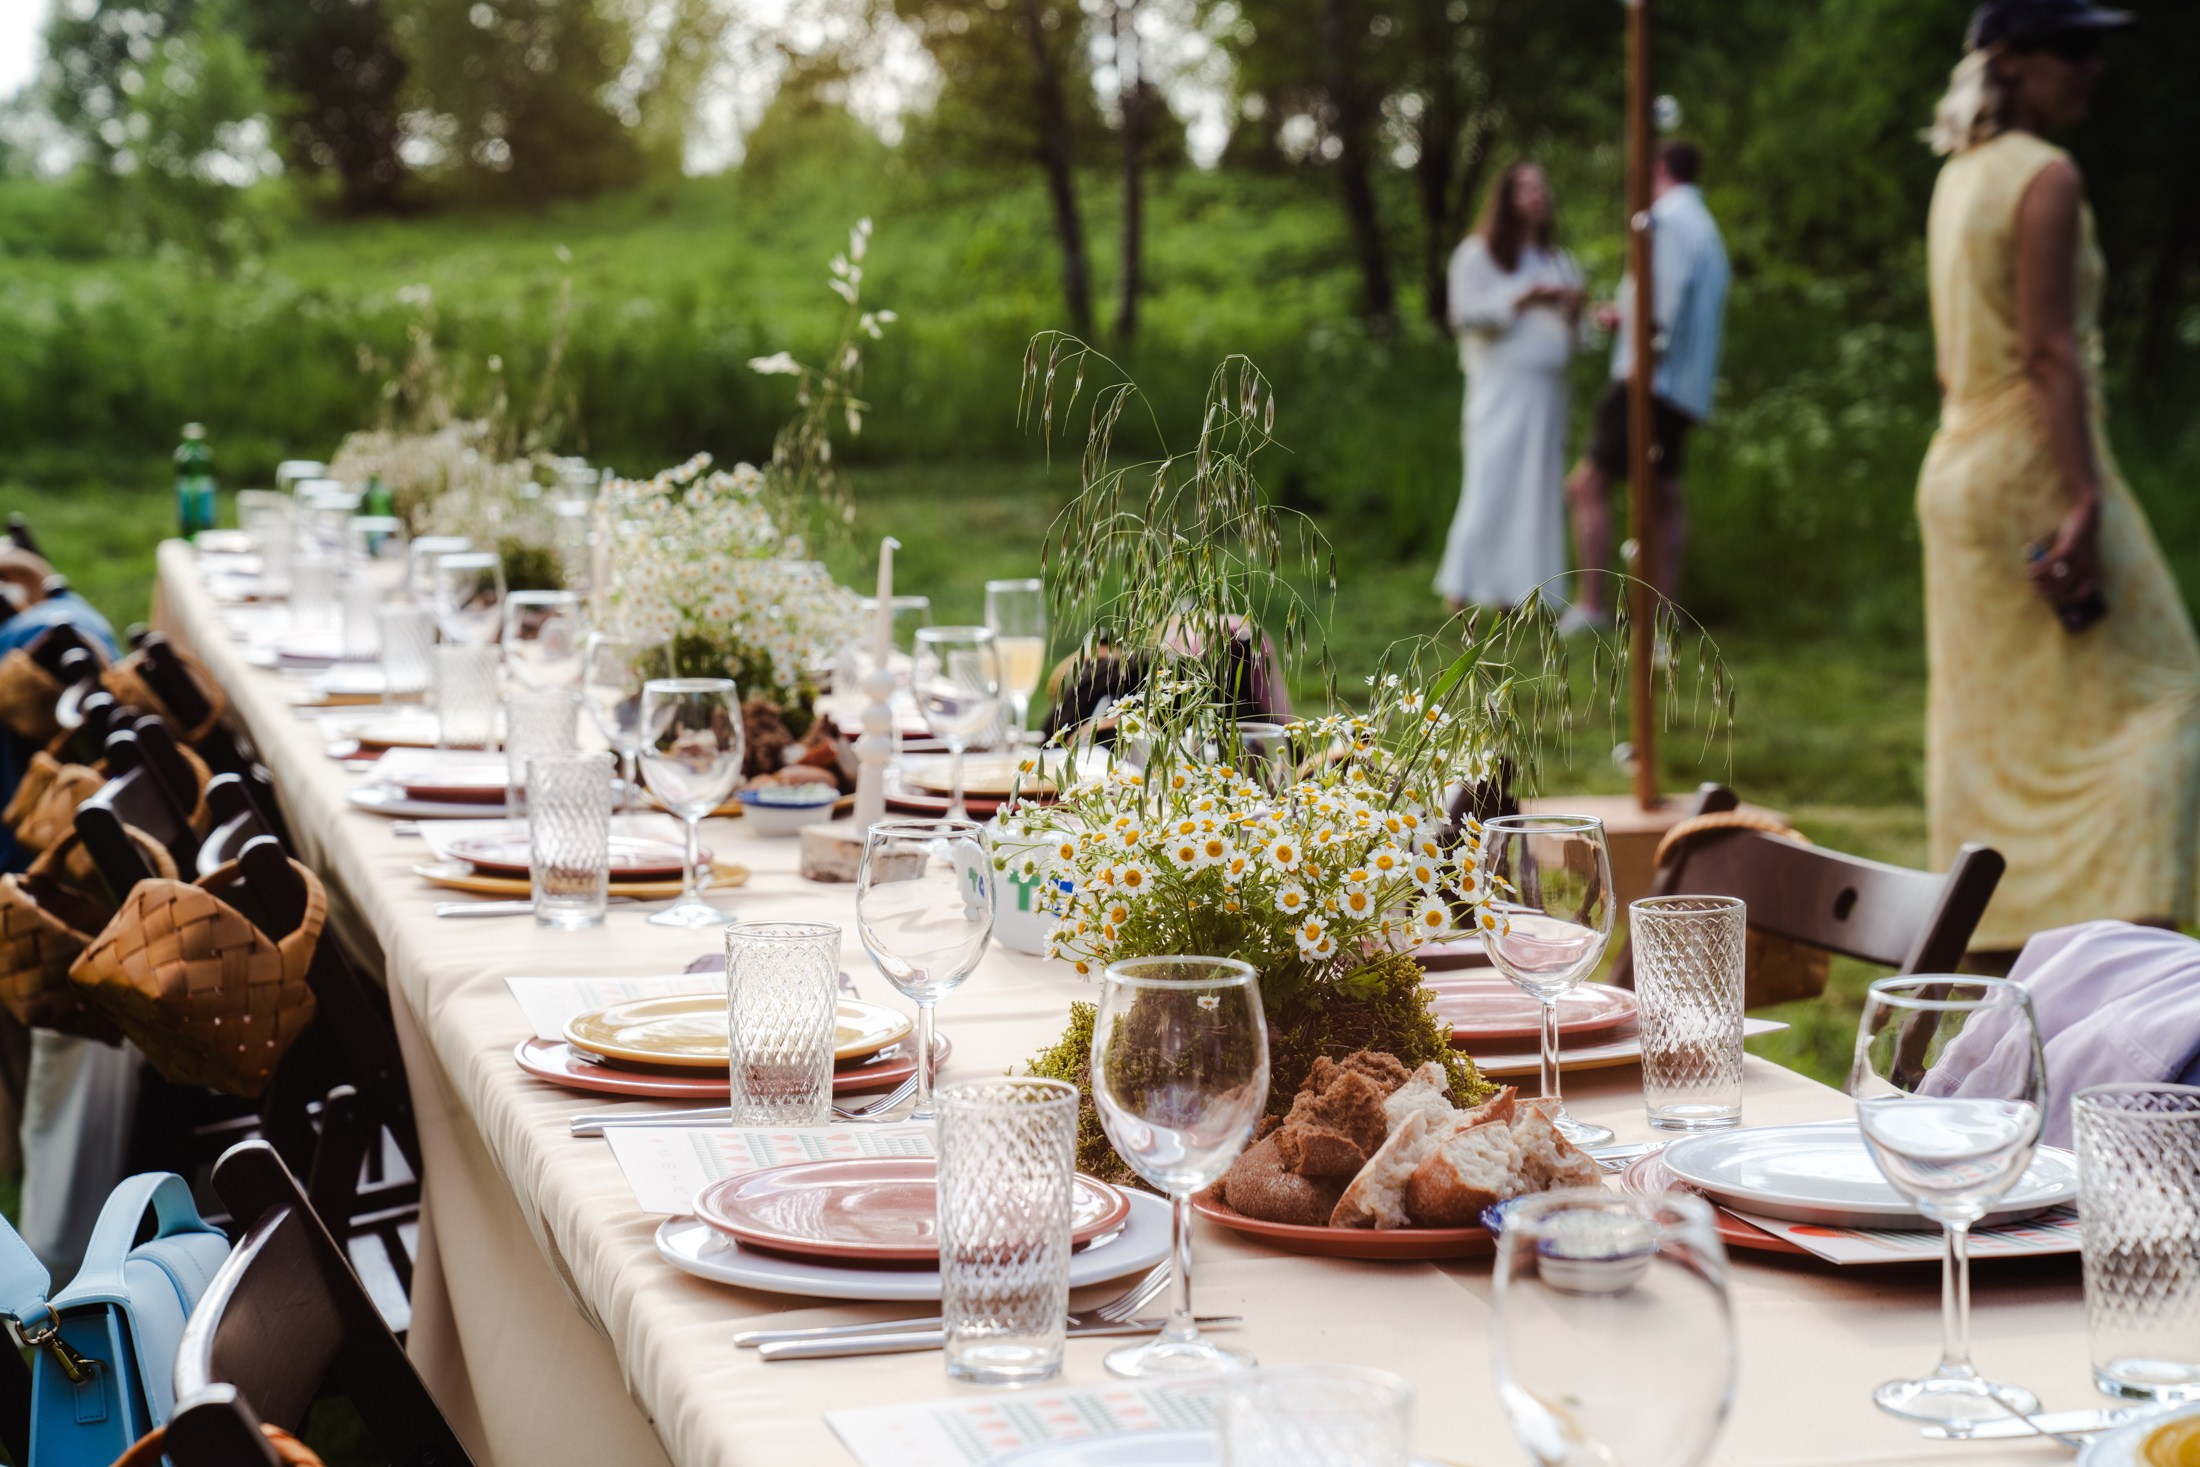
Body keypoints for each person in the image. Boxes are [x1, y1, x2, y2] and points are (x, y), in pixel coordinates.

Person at [1918, 0, 2200, 954]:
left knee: (1991, 720)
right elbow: (2047, 351)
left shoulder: (1959, 174)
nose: (2094, 67)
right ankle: (2129, 947)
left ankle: (1997, 936)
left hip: (1958, 470)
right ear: (2013, 60)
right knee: (2166, 686)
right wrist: (2084, 498)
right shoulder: (2047, 174)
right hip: (2034, 467)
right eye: (2075, 49)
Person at [1563, 139, 1730, 628]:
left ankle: (1593, 606)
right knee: (1662, 497)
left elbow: (1664, 304)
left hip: (1651, 380)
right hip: (1682, 386)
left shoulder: (1670, 219)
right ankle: (1660, 615)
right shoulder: (1706, 227)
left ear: (1658, 167)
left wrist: (1644, 350)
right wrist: (1628, 318)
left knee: (1587, 485)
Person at [1433, 162, 1584, 612]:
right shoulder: (1477, 254)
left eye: (1542, 186)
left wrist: (1575, 311)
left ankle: (1519, 593)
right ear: (1506, 197)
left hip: (1548, 392)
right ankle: (1461, 588)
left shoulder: (1560, 260)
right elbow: (1462, 315)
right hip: (1499, 389)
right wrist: (1521, 297)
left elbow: (1576, 338)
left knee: (1535, 489)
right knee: (1491, 481)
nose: (1538, 194)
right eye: (1526, 187)